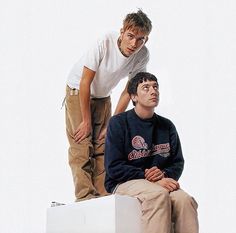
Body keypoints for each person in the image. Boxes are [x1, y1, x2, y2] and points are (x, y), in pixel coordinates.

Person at [65, 10, 152, 201]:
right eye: (130, 36)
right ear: (122, 32)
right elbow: (85, 82)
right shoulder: (104, 42)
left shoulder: (142, 55)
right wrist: (86, 120)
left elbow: (129, 90)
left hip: (104, 96)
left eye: (140, 39)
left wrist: (112, 122)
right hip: (79, 91)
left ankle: (101, 195)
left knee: (105, 145)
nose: (134, 44)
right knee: (82, 144)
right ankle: (85, 196)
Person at [104, 72, 199, 233]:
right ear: (133, 96)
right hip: (123, 181)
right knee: (157, 194)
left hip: (158, 180)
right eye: (146, 88)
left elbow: (177, 162)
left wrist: (162, 175)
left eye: (155, 87)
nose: (153, 91)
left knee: (185, 200)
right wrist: (148, 177)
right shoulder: (118, 123)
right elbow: (113, 167)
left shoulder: (167, 125)